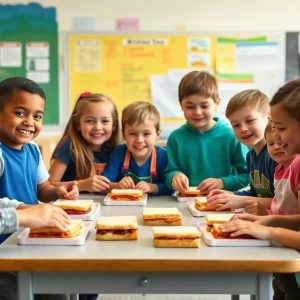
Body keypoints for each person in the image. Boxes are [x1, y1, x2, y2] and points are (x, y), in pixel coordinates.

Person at [221, 78, 300, 299]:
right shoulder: (264, 158)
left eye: (280, 128)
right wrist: (265, 220)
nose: (277, 138)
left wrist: (267, 228)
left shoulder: (289, 161)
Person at [0, 77, 79, 243]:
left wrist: (59, 191)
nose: (29, 122)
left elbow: (43, 190)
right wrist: (25, 213)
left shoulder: (33, 150)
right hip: (6, 244)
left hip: (28, 236)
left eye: (37, 116)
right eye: (20, 113)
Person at [164, 71, 248, 194]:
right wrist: (174, 176)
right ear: (181, 105)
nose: (197, 112)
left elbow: (247, 176)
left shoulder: (231, 136)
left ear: (216, 103)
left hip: (222, 203)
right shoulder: (176, 138)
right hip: (185, 201)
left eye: (204, 106)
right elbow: (168, 173)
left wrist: (223, 182)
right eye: (190, 107)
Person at [207, 89, 278, 213]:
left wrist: (242, 200)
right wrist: (230, 195)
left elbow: (282, 202)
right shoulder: (250, 156)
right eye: (236, 125)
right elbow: (256, 193)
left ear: (269, 118)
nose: (243, 129)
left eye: (250, 121)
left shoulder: (276, 155)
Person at [208, 123, 298, 216]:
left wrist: (265, 215)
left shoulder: (287, 164)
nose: (276, 147)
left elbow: (278, 204)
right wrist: (232, 195)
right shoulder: (278, 167)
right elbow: (257, 193)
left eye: (282, 143)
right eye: (270, 143)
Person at [49, 92, 121, 194]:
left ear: (114, 125)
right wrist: (82, 185)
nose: (98, 127)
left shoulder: (118, 150)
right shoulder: (69, 146)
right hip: (70, 207)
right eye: (90, 121)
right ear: (78, 124)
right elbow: (49, 184)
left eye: (105, 121)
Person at [103, 101, 173, 195]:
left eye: (146, 134)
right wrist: (118, 186)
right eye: (132, 134)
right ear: (124, 135)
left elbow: (171, 187)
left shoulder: (163, 156)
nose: (139, 140)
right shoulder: (119, 153)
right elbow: (103, 185)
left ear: (157, 134)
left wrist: (152, 187)